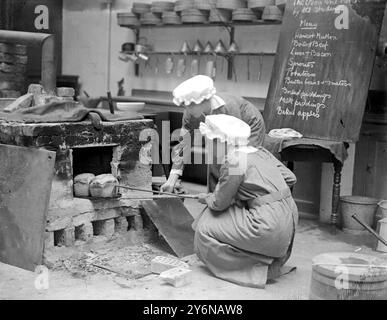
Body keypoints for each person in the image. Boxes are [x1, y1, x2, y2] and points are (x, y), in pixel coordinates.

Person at [194, 114, 298, 288]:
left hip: (268, 226)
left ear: (223, 141)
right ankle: (265, 260)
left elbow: (219, 203)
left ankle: (255, 269)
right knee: (234, 210)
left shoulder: (234, 160)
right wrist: (258, 194)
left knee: (204, 225)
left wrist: (206, 198)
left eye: (211, 142)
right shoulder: (261, 151)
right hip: (289, 219)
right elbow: (291, 178)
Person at [160, 75, 266, 193]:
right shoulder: (189, 116)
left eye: (191, 105)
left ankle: (239, 203)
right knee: (215, 161)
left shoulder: (228, 108)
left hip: (249, 125)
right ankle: (215, 200)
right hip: (222, 136)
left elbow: (235, 148)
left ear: (205, 100)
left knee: (240, 165)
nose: (188, 110)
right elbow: (183, 146)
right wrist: (171, 180)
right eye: (185, 105)